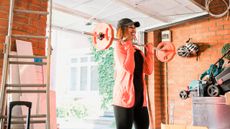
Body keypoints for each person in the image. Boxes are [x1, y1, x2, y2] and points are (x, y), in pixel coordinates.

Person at [113, 18, 154, 129]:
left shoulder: (137, 50)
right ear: (122, 30)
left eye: (134, 27)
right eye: (130, 27)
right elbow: (129, 68)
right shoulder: (119, 48)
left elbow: (148, 70)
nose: (134, 30)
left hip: (140, 99)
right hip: (124, 98)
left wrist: (150, 53)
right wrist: (128, 46)